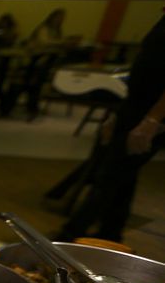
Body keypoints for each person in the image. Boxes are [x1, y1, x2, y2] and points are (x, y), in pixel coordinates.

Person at [55, 12, 165, 243]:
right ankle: (111, 233)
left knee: (111, 174)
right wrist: (121, 113)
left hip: (150, 115)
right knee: (124, 175)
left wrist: (153, 120)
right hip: (135, 108)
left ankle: (71, 234)